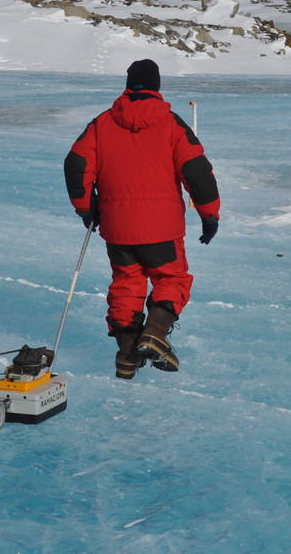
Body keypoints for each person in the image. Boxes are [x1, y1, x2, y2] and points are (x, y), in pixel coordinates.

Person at [64, 59, 220, 379]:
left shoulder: (102, 123)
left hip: (118, 227)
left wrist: (86, 208)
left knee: (126, 285)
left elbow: (76, 164)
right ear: (156, 85)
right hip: (162, 228)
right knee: (171, 279)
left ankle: (127, 356)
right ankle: (155, 333)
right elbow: (197, 171)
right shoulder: (171, 123)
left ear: (128, 84)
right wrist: (209, 215)